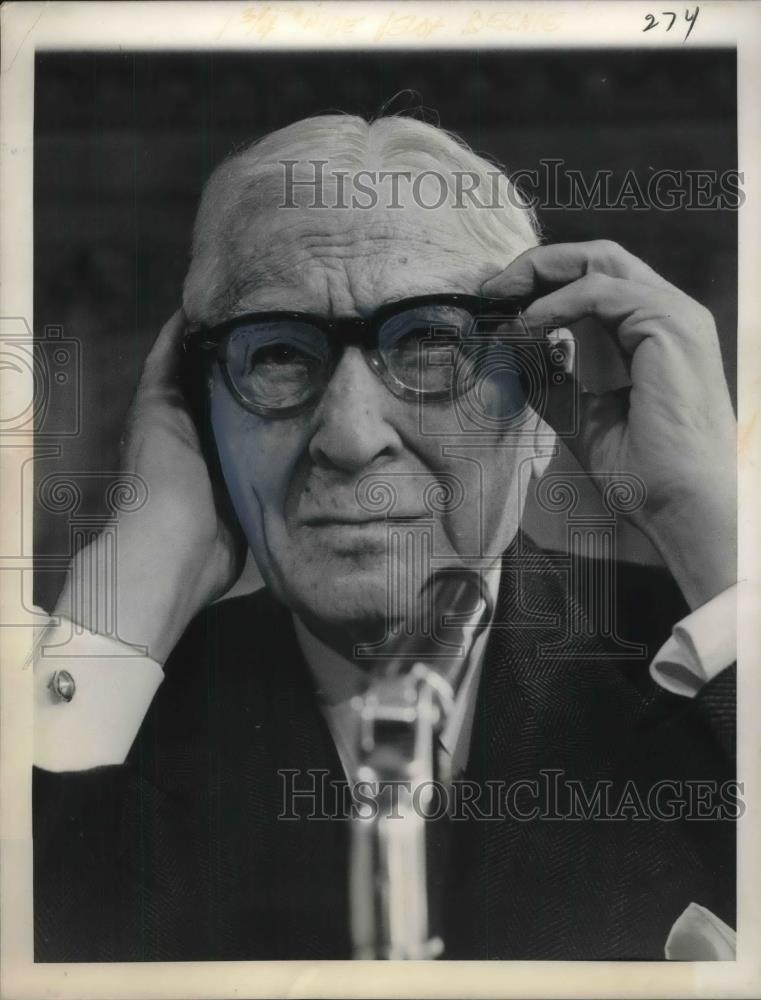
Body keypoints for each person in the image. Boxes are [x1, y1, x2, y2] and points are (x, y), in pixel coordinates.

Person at [32, 114, 738, 961]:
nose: (351, 436)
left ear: (549, 394)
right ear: (198, 407)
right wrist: (132, 582)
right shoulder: (107, 706)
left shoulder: (715, 673)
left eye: (433, 343)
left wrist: (711, 531)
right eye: (278, 354)